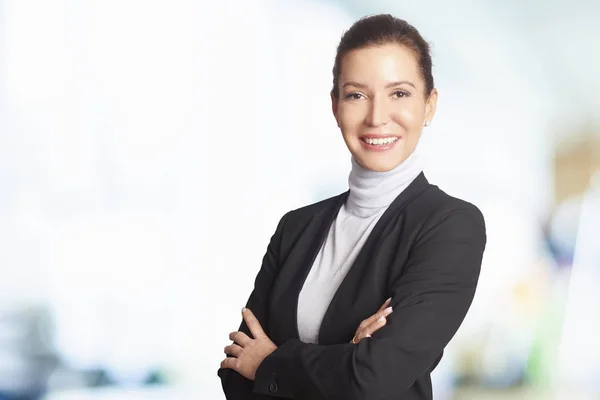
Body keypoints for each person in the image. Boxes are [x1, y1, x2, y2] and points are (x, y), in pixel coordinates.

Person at [217, 14, 486, 400]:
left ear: (429, 105)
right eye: (357, 94)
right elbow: (235, 375)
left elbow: (373, 378)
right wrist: (345, 355)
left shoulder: (450, 225)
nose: (377, 117)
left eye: (400, 94)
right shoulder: (295, 228)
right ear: (335, 106)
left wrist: (269, 364)